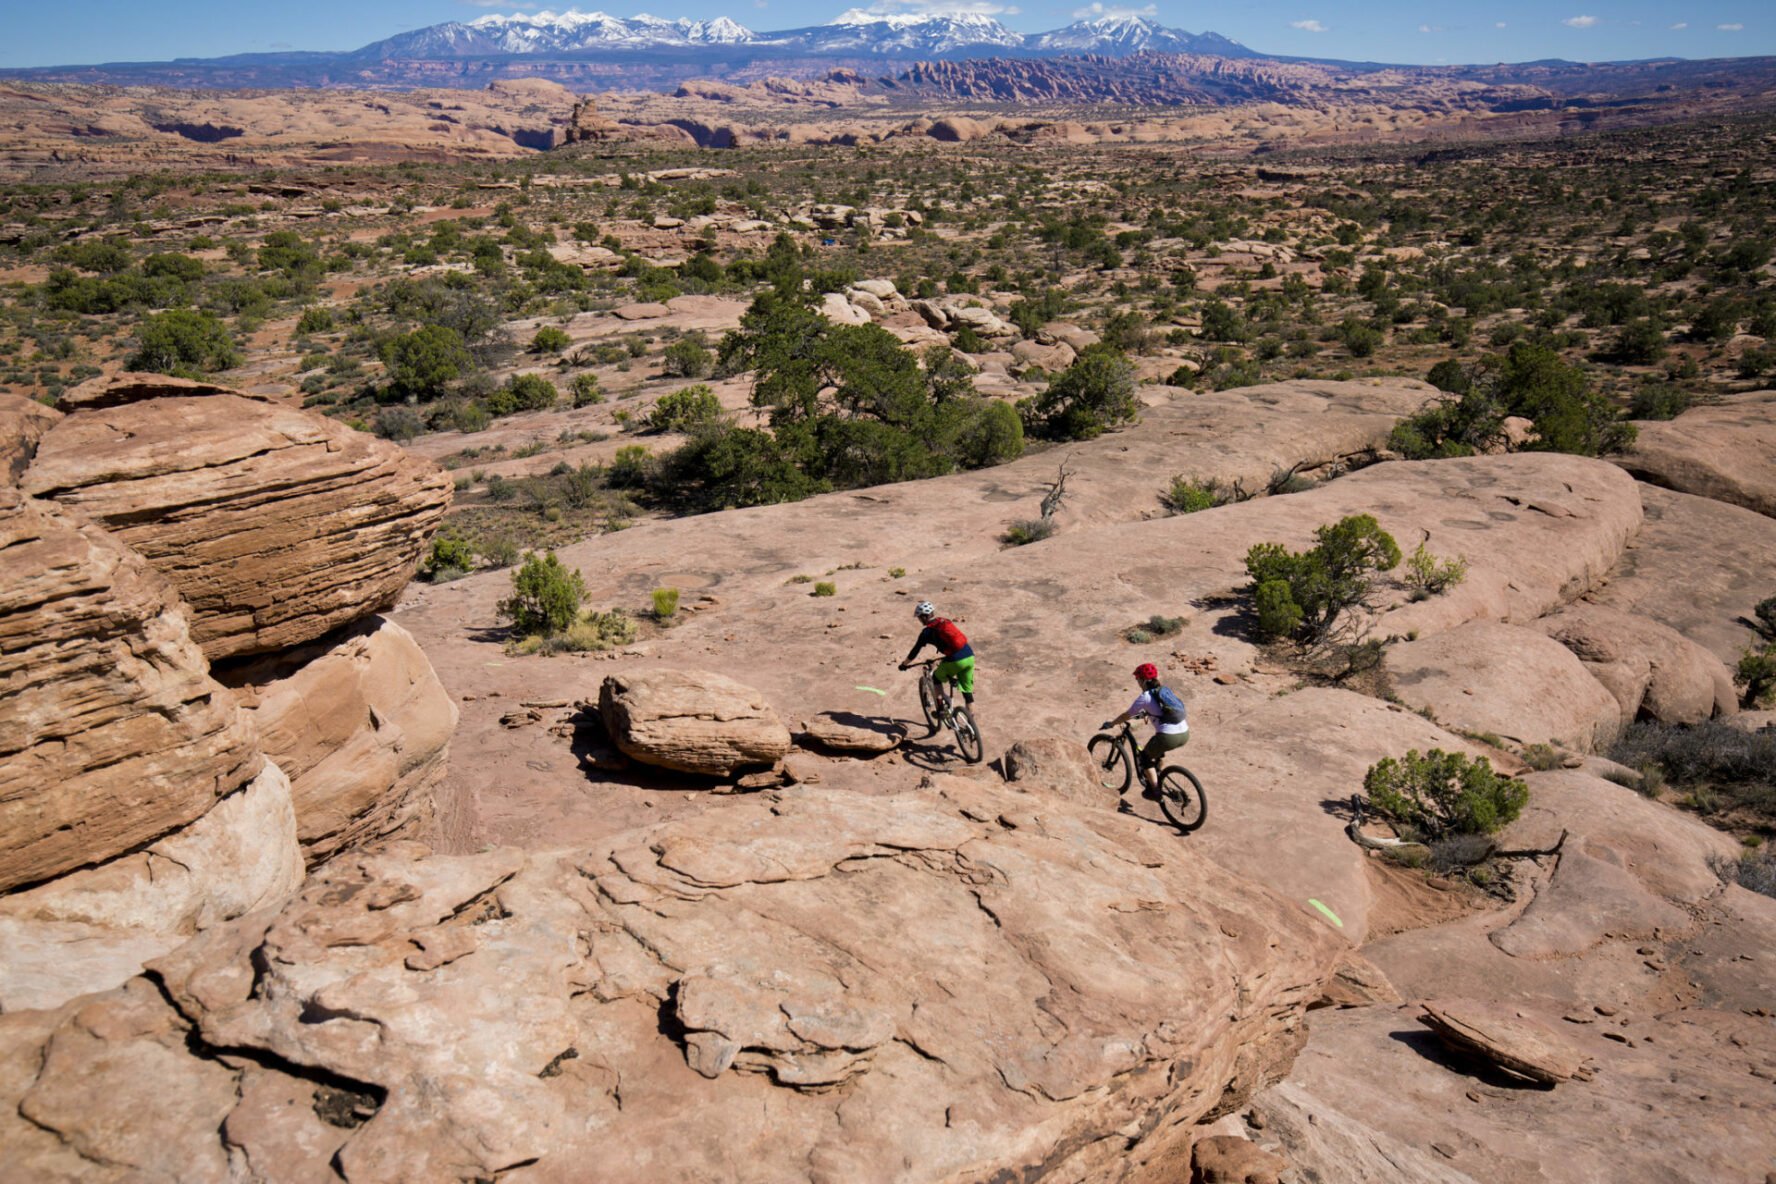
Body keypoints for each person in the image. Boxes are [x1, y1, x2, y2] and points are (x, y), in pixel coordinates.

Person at [1102, 662, 1188, 801]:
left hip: (1168, 737)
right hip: (1184, 733)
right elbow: (1161, 710)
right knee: (1156, 750)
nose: (1137, 682)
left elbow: (1126, 715)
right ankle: (1157, 774)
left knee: (1144, 758)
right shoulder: (1163, 691)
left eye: (1137, 679)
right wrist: (1146, 713)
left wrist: (1111, 724)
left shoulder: (1145, 697)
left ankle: (1155, 791)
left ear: (1143, 680)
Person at [898, 601, 975, 715]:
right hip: (969, 656)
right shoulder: (944, 621)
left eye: (919, 617)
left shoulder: (926, 632)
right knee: (968, 695)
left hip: (955, 660)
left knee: (936, 678)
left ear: (924, 617)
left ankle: (940, 709)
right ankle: (971, 723)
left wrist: (904, 664)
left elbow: (915, 651)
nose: (919, 620)